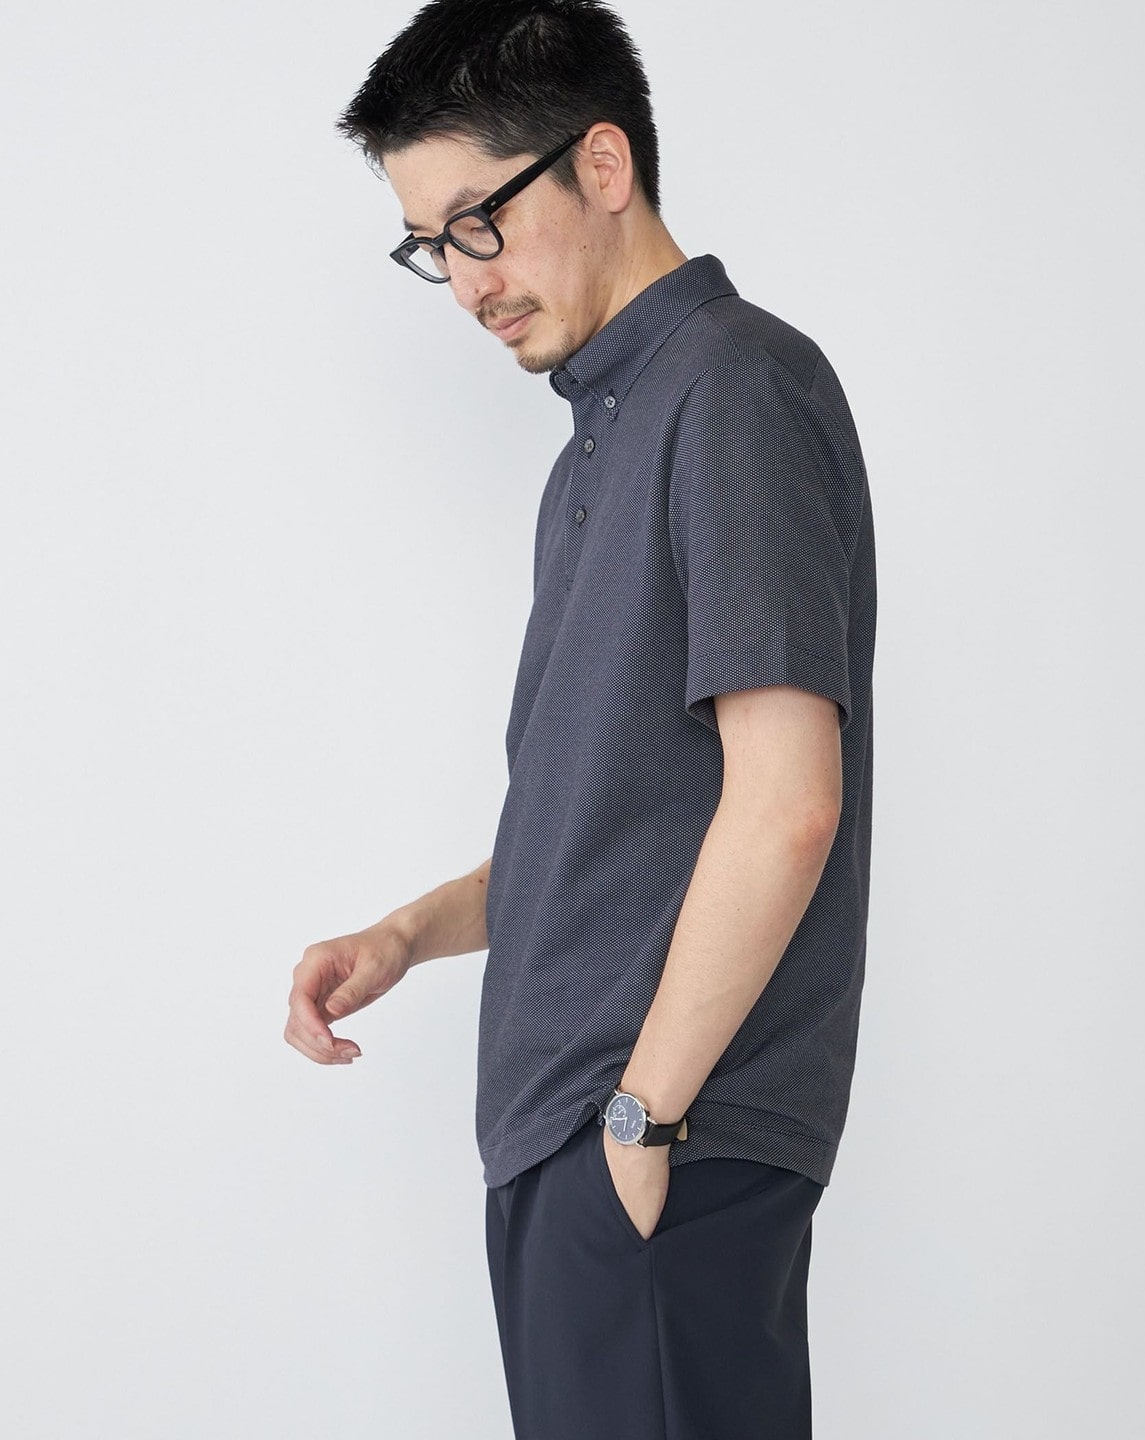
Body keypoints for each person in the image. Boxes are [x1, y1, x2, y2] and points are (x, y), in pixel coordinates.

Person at [284, 2, 877, 1435]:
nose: (463, 281)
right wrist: (409, 935)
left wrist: (642, 1119)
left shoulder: (731, 388)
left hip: (662, 1138)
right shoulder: (609, 435)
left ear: (602, 165)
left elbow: (787, 802)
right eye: (430, 246)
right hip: (584, 1141)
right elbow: (626, 818)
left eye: (476, 222)